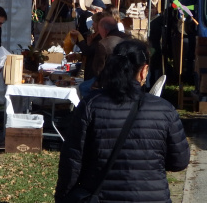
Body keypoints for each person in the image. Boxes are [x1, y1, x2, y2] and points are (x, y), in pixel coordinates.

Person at [55, 40, 190, 202]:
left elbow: (71, 162)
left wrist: (63, 196)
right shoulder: (165, 110)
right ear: (143, 71)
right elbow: (179, 162)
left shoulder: (90, 105)